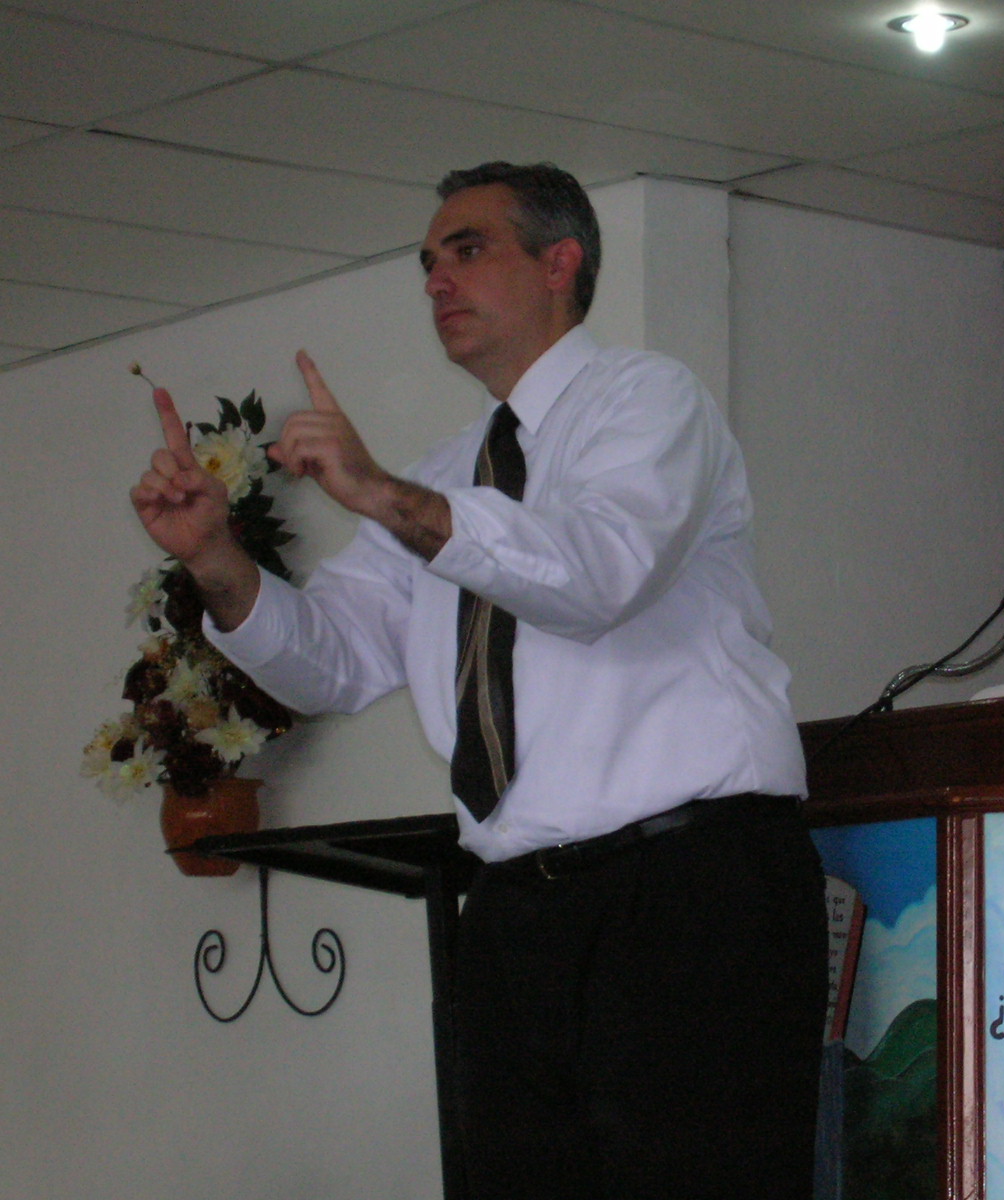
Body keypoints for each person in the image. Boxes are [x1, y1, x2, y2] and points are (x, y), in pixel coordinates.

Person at [131, 161, 826, 1199]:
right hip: (514, 911)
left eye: (467, 250)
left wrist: (382, 495)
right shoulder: (445, 475)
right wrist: (214, 559)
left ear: (560, 262)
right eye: (427, 262)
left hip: (687, 887)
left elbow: (596, 576)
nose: (436, 281)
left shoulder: (649, 403)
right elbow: (331, 659)